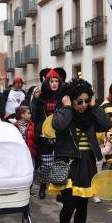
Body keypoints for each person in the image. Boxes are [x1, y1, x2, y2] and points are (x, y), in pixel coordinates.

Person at [49, 78, 112, 223]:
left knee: (83, 206)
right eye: (80, 101)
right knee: (69, 205)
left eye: (86, 101)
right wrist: (68, 107)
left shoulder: (91, 114)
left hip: (86, 163)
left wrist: (94, 105)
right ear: (70, 100)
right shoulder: (63, 113)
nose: (83, 105)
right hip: (68, 162)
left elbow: (107, 123)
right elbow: (59, 125)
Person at [33, 68, 67, 199]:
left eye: (56, 81)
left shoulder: (63, 97)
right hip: (44, 135)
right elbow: (36, 116)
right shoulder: (40, 98)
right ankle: (43, 186)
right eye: (51, 81)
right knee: (46, 164)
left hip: (59, 134)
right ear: (47, 82)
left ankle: (58, 190)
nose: (54, 84)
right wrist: (37, 132)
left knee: (59, 164)